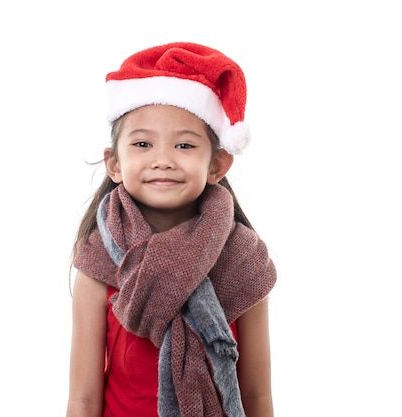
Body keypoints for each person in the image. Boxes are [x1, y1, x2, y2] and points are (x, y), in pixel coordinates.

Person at [66, 42, 277, 417]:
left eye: (184, 145)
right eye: (143, 143)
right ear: (114, 164)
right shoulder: (98, 263)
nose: (162, 160)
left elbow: (257, 395)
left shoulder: (245, 263)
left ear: (217, 165)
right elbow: (83, 400)